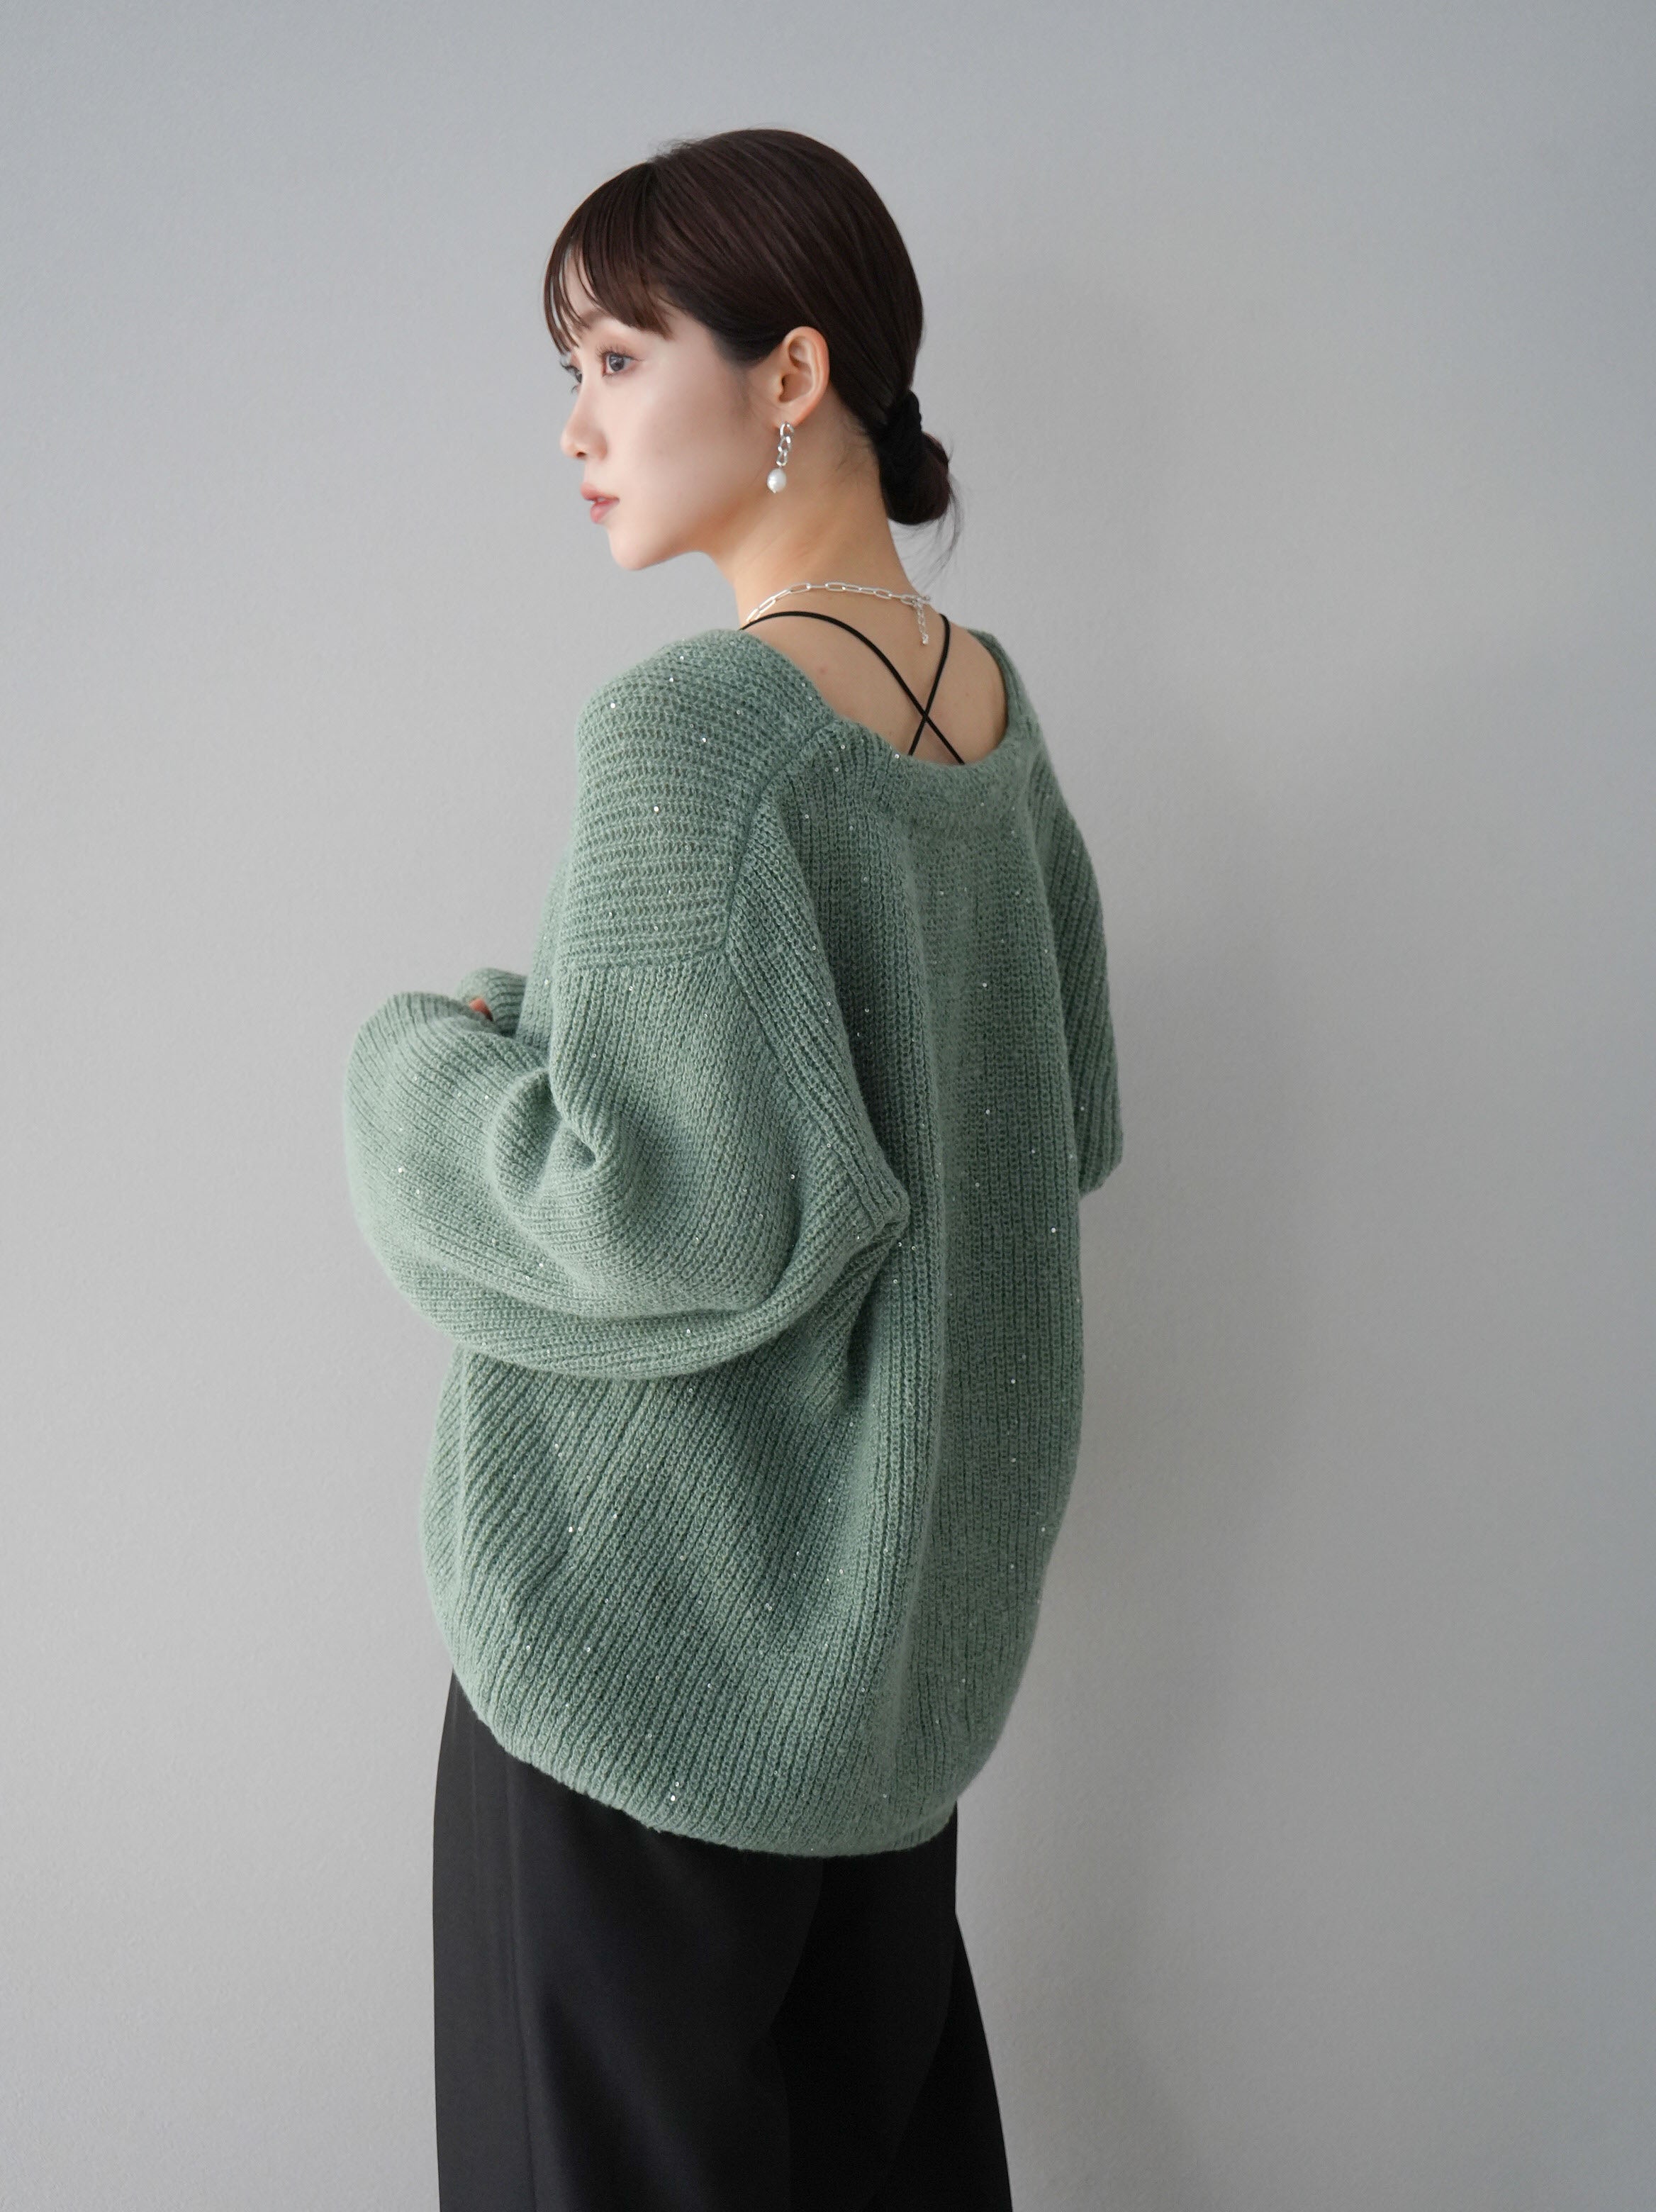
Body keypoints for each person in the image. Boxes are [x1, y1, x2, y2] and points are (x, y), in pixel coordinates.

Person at [342, 125, 1122, 2212]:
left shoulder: (692, 733)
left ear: (790, 374)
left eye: (615, 359)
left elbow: (648, 1213)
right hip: (887, 1691)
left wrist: (420, 1064)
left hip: (644, 1666)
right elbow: (1054, 1122)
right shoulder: (990, 720)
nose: (577, 427)